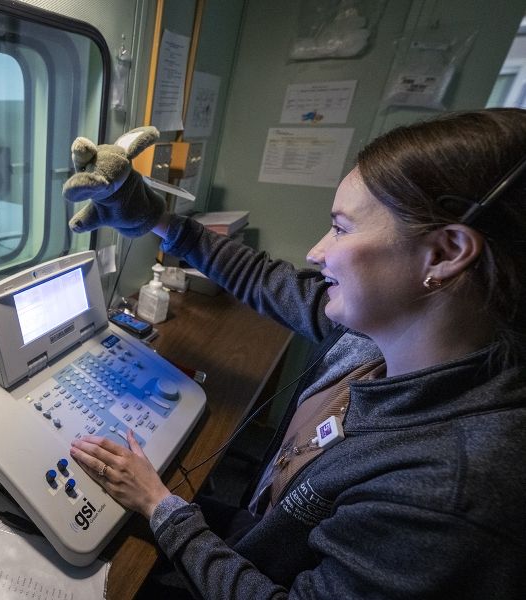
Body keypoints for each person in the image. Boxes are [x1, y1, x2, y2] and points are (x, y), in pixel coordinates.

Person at [65, 109, 526, 598]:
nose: (316, 251)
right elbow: (268, 280)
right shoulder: (383, 332)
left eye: (342, 229)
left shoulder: (448, 493)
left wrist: (162, 507)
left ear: (445, 252)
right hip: (258, 532)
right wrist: (155, 217)